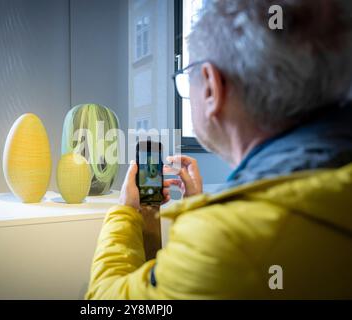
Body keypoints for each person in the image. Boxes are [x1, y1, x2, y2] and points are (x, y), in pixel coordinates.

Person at [86, 0, 352, 299]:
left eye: (188, 77)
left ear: (211, 86)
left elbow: (104, 302)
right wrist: (204, 211)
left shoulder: (227, 240)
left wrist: (124, 213)